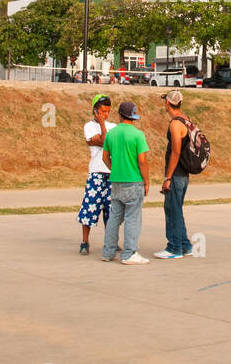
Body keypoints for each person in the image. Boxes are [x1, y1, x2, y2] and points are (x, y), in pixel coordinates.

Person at [99, 100, 151, 265]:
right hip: (133, 181)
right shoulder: (137, 135)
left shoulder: (111, 134)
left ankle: (108, 251)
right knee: (132, 218)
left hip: (116, 181)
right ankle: (129, 253)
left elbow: (104, 157)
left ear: (120, 115)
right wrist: (146, 181)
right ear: (134, 116)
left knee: (115, 216)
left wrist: (114, 168)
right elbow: (142, 161)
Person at [156, 90, 197, 259]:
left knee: (172, 209)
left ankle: (174, 248)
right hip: (183, 174)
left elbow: (176, 151)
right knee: (176, 209)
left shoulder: (175, 124)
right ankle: (185, 245)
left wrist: (168, 177)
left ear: (168, 103)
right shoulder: (186, 120)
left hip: (177, 174)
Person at [77, 94, 115, 254]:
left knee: (111, 210)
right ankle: (85, 241)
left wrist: (101, 135)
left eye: (108, 111)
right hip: (96, 172)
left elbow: (105, 142)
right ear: (95, 110)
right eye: (102, 111)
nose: (105, 114)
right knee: (90, 207)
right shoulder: (89, 126)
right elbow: (105, 142)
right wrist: (101, 128)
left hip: (111, 172)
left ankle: (110, 241)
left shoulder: (113, 126)